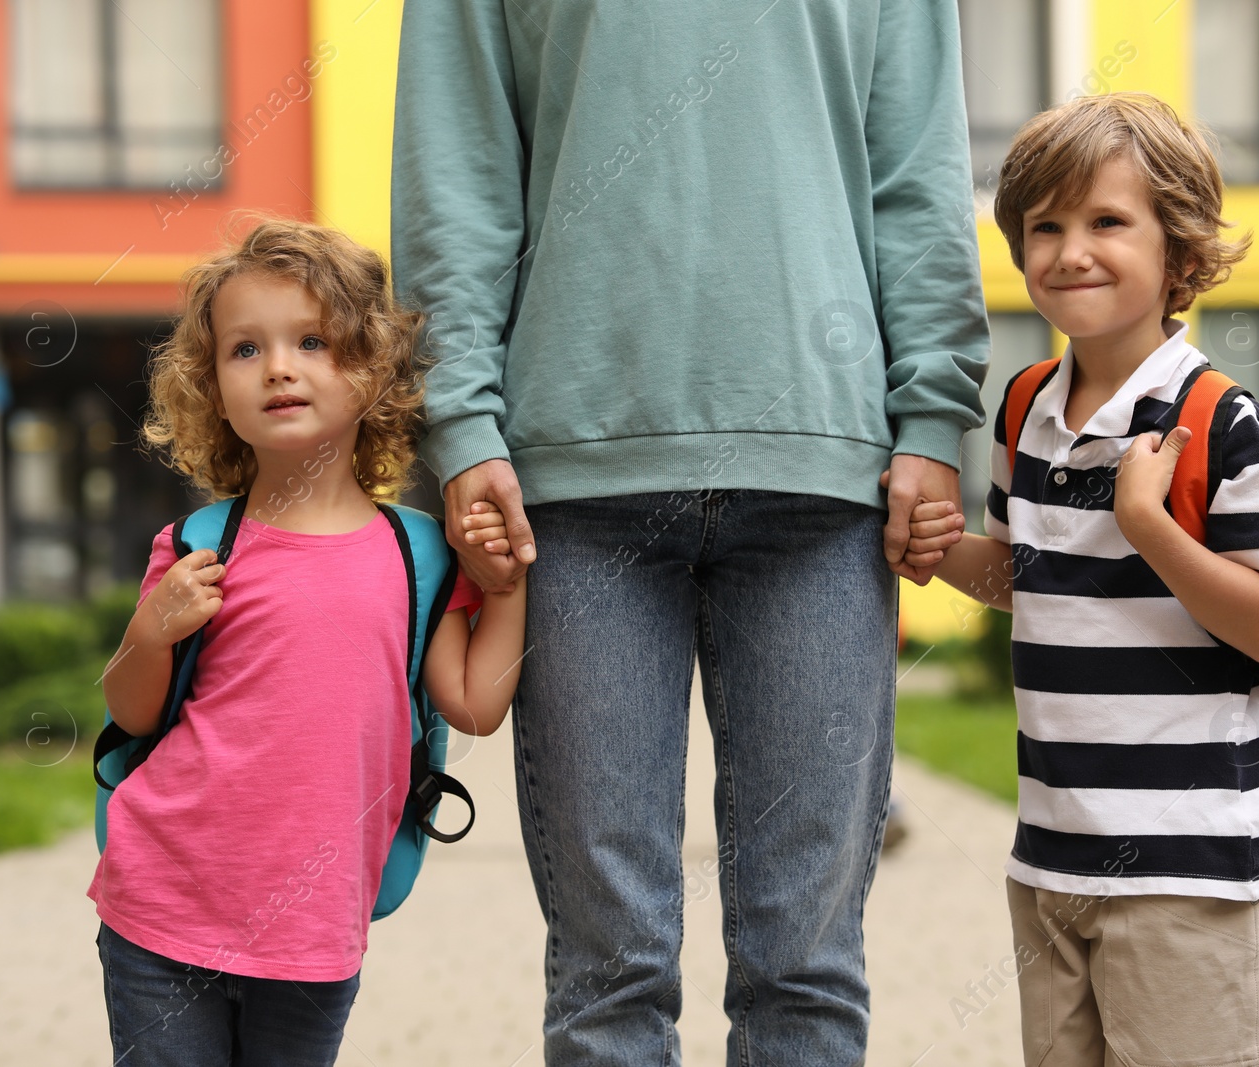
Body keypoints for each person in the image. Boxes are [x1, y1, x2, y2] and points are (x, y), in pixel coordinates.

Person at [392, 3, 989, 1063]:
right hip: (570, 487)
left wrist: (931, 415)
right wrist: (461, 423)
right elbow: (459, 177)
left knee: (803, 969)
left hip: (822, 470)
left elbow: (917, 174)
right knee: (607, 970)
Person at [908, 93, 1259, 1067]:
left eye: (1105, 221)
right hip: (1051, 850)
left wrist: (1147, 525)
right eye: (1045, 225)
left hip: (1186, 866)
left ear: (1178, 253)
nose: (1069, 249)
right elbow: (1022, 578)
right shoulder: (1025, 406)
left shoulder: (1219, 420)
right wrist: (933, 547)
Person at [88, 218, 527, 1066]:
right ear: (212, 387)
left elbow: (474, 704)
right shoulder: (199, 542)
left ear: (371, 372)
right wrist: (150, 630)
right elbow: (132, 708)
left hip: (317, 924)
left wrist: (505, 588)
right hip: (162, 904)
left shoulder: (421, 552)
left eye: (314, 341)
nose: (279, 367)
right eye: (244, 350)